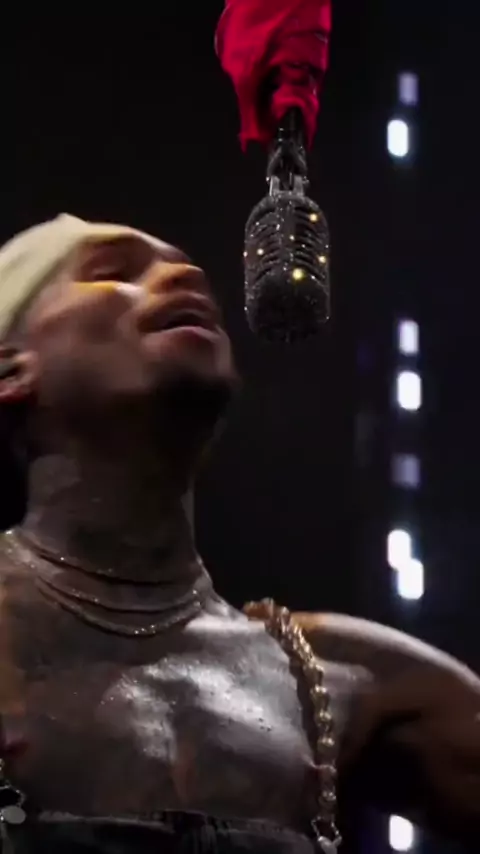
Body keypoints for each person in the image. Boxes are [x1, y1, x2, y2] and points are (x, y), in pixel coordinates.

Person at [0, 214, 478, 854]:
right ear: (11, 373)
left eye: (183, 265)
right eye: (113, 270)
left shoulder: (335, 679)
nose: (185, 275)